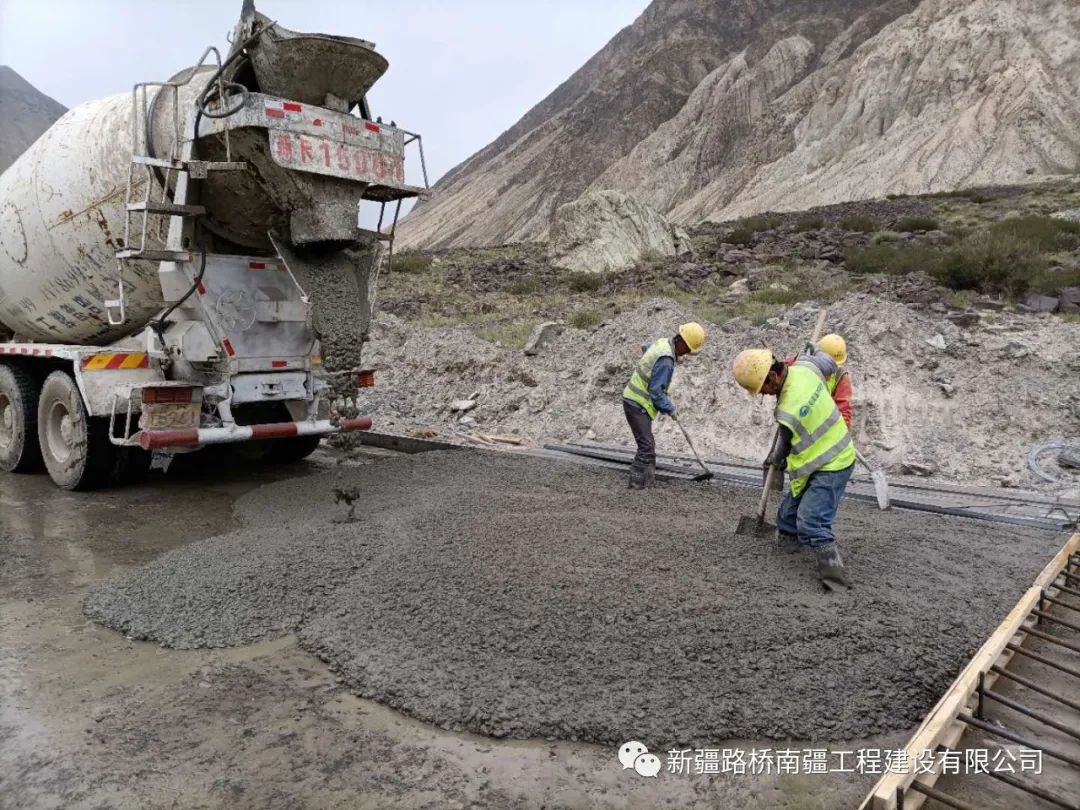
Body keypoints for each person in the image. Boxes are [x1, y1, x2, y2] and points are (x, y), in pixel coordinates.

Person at [732, 347, 856, 589]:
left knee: (811, 521)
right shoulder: (807, 367)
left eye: (764, 389)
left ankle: (835, 578)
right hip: (813, 462)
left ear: (774, 376)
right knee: (787, 517)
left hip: (834, 462)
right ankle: (788, 556)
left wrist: (775, 459)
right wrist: (816, 350)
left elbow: (784, 447)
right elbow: (829, 362)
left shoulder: (787, 411)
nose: (765, 395)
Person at [622, 322, 706, 489]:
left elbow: (646, 347)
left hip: (633, 400)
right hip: (637, 403)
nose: (687, 353)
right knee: (646, 447)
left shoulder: (663, 343)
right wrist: (670, 408)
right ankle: (637, 484)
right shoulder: (667, 360)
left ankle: (646, 481)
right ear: (681, 341)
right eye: (688, 349)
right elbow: (656, 393)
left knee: (647, 444)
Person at [785, 333, 852, 429]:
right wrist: (799, 361)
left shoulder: (840, 377)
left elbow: (844, 413)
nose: (831, 370)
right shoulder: (803, 363)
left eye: (834, 366)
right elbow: (781, 372)